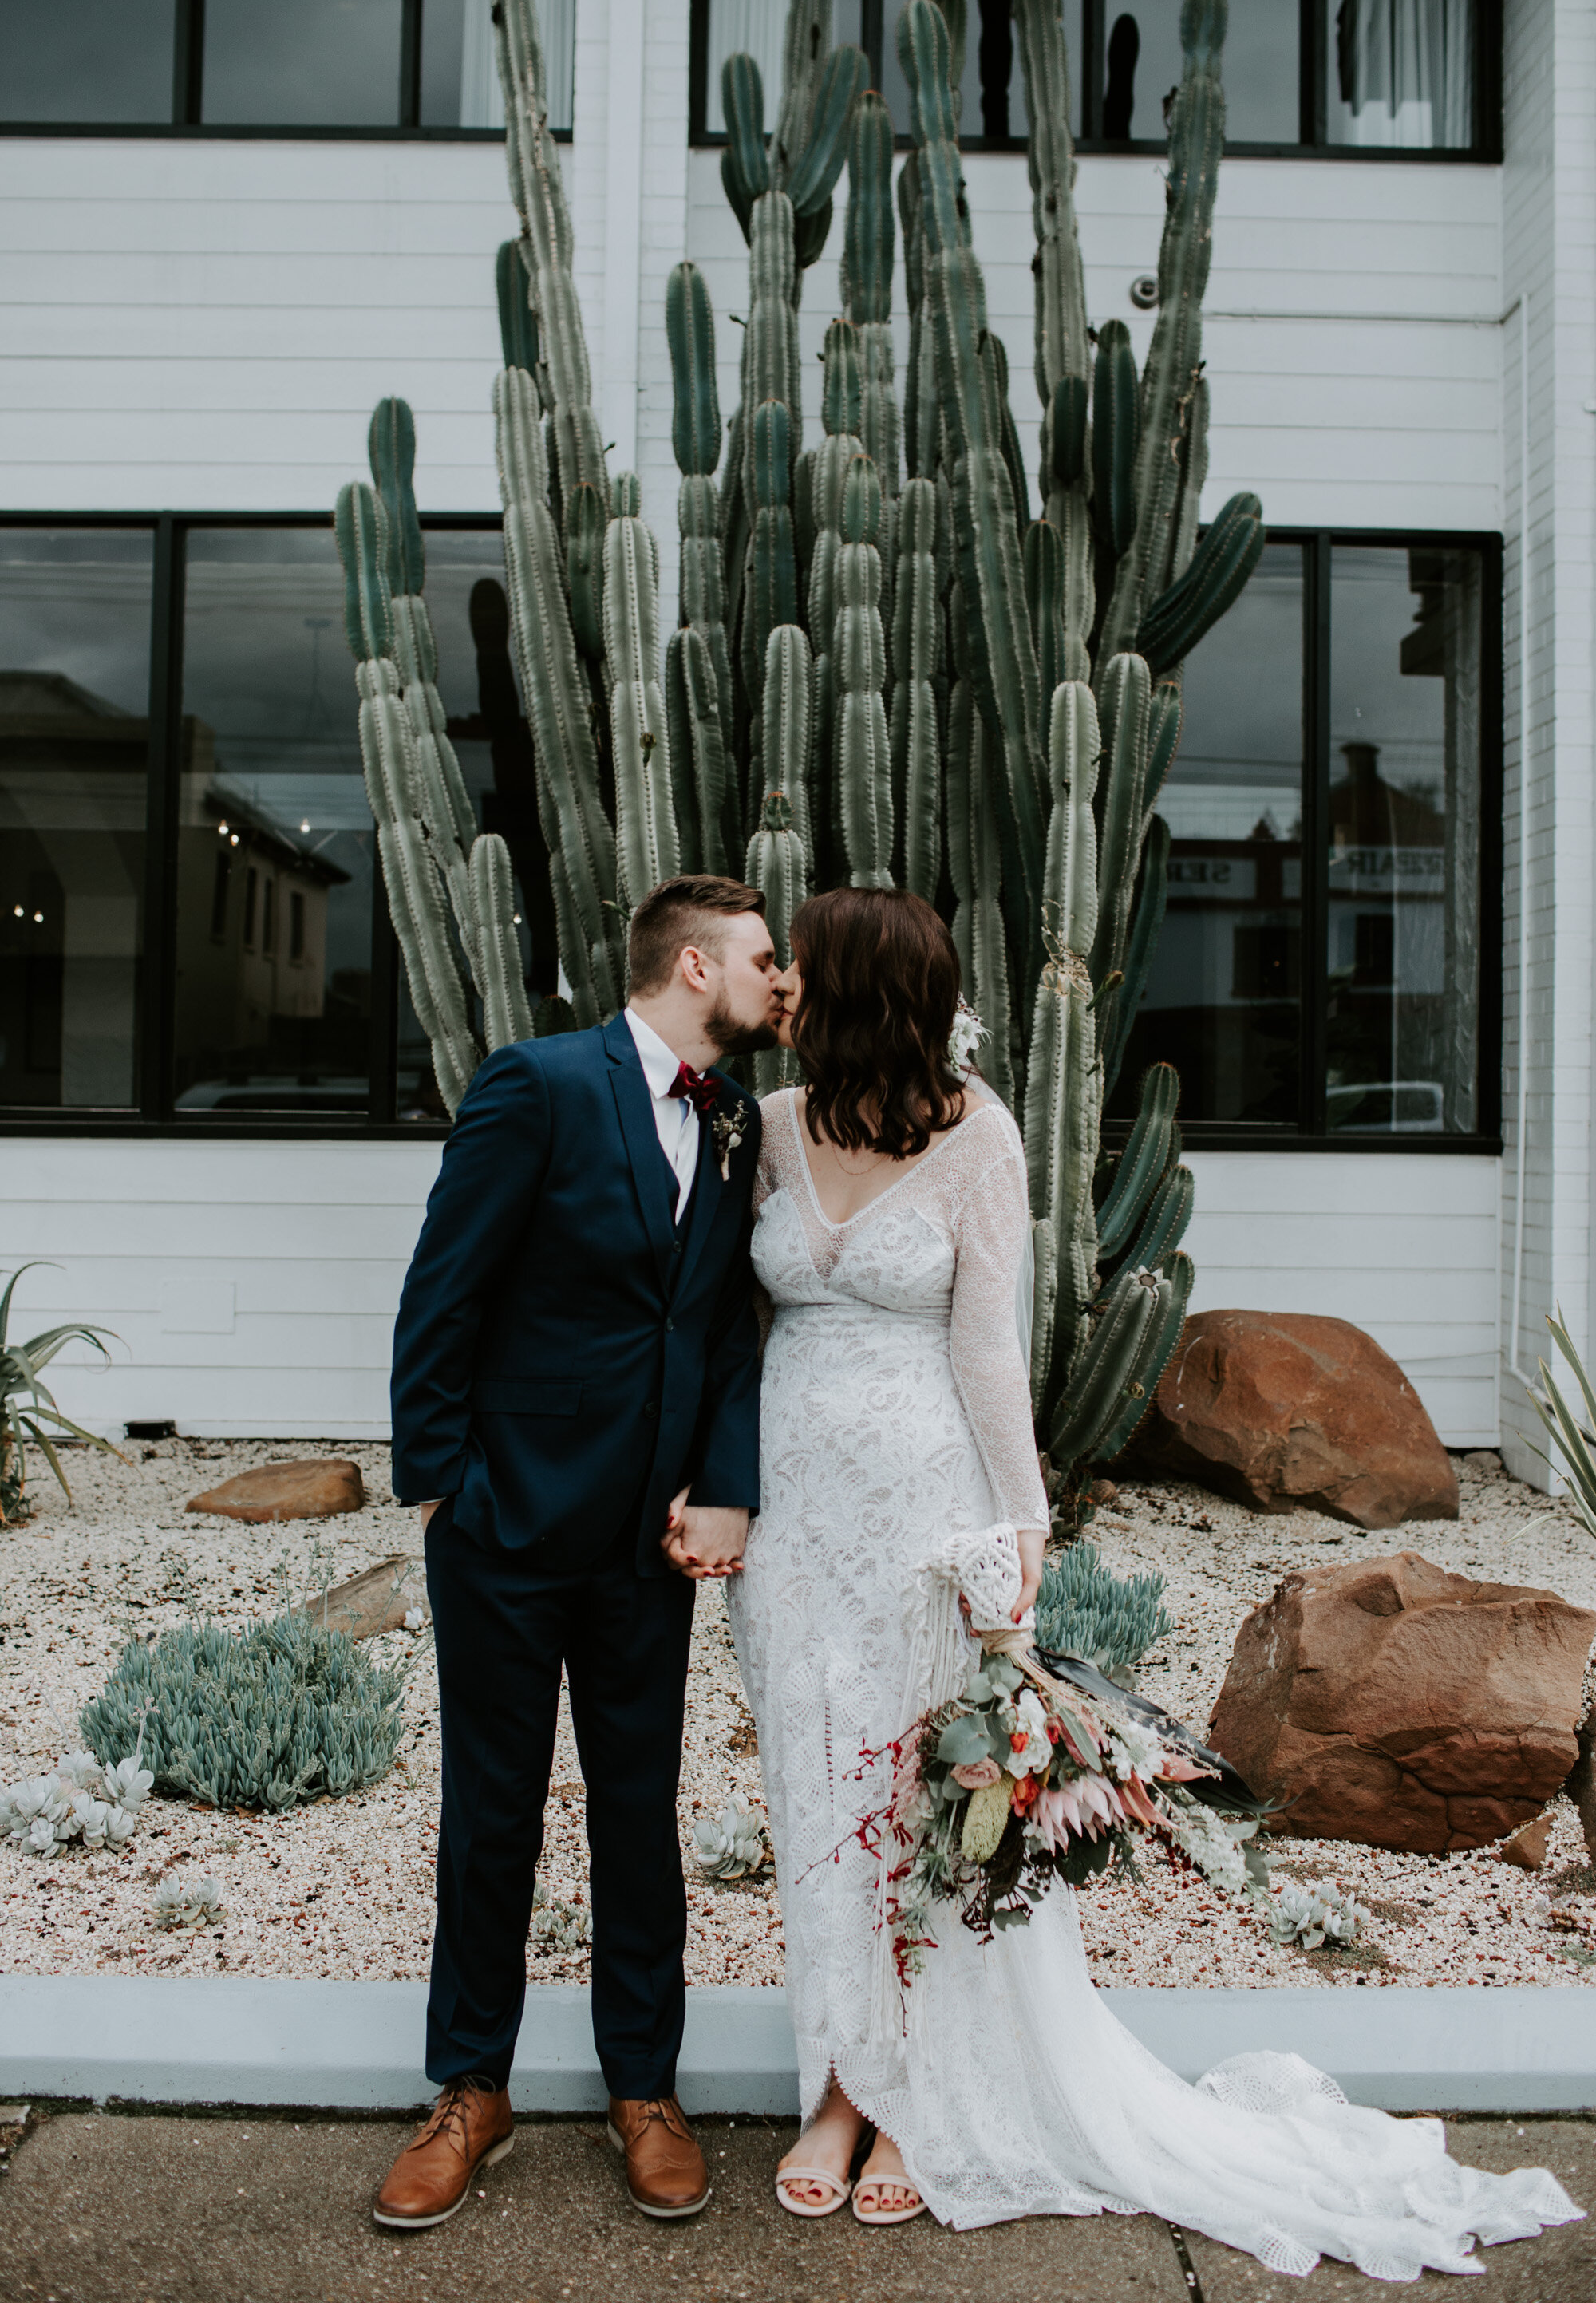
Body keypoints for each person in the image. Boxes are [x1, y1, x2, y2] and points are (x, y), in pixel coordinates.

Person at [729, 884, 1582, 2276]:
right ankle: (838, 2076)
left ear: (859, 987)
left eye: (800, 970)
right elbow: (734, 1319)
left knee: (939, 1798)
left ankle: (917, 2101)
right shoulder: (766, 1128)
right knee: (821, 1794)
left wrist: (1020, 1518)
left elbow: (990, 1347)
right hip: (799, 1529)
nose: (779, 992)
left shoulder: (980, 1133)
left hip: (927, 1518)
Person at [375, 875, 777, 2232]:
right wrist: (443, 1491)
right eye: (763, 960)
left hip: (646, 1543)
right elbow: (445, 1287)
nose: (780, 983)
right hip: (506, 1523)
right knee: (492, 1811)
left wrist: (722, 1490)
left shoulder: (733, 1125)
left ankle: (644, 2090)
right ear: (693, 965)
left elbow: (722, 1329)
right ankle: (467, 2091)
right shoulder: (539, 1084)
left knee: (638, 1810)